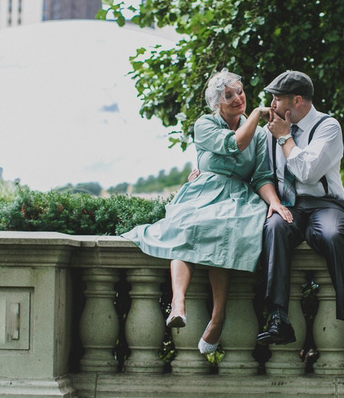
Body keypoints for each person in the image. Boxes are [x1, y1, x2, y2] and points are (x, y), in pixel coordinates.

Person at [122, 69, 292, 355]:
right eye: (229, 95)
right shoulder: (204, 124)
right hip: (204, 190)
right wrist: (256, 115)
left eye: (240, 91)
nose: (238, 98)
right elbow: (233, 144)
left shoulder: (261, 137)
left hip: (237, 195)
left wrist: (274, 201)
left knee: (226, 230)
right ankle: (178, 304)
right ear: (217, 103)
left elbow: (262, 176)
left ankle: (218, 316)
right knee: (184, 228)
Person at [257, 70, 344, 368]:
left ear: (296, 101)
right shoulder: (273, 131)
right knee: (273, 226)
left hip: (327, 205)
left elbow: (308, 172)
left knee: (335, 236)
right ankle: (278, 317)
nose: (271, 104)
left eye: (277, 98)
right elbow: (257, 170)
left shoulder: (328, 126)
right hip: (290, 207)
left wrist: (284, 137)